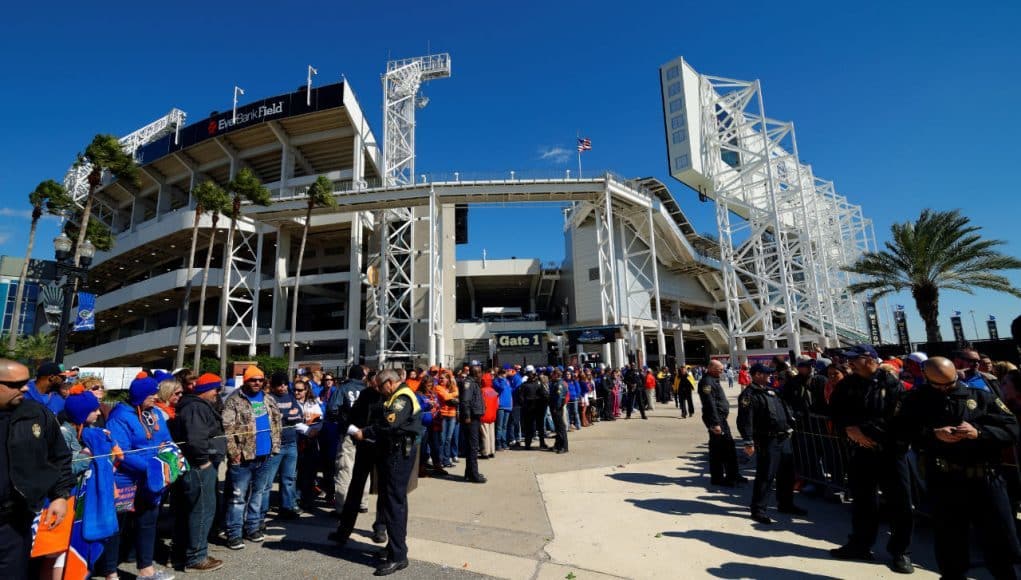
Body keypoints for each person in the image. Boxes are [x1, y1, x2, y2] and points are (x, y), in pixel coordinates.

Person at [894, 357, 1021, 579]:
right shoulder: (915, 401)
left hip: (985, 480)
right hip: (945, 481)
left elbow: (1011, 428)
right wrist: (932, 434)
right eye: (938, 385)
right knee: (950, 547)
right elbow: (900, 432)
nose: (944, 389)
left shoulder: (981, 396)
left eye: (949, 383)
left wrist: (978, 433)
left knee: (1000, 545)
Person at [828, 344, 913, 574]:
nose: (850, 363)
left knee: (899, 503)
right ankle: (860, 544)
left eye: (855, 359)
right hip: (860, 453)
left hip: (890, 452)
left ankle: (900, 552)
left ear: (870, 359)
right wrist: (848, 429)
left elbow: (898, 418)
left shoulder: (893, 384)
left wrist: (863, 431)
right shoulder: (847, 385)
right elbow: (835, 411)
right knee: (863, 501)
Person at [0, 359, 73, 580]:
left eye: (25, 382)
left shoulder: (36, 414)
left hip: (13, 520)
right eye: (16, 384)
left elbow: (59, 456)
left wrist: (60, 496)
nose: (24, 388)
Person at [101, 375, 177, 580]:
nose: (155, 397)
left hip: (152, 480)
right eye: (151, 394)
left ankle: (146, 570)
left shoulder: (154, 413)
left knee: (148, 522)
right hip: (126, 480)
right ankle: (110, 572)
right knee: (117, 527)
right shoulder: (120, 416)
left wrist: (171, 461)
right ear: (140, 395)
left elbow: (167, 440)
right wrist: (152, 468)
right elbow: (121, 452)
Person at [350, 369, 423, 576]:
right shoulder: (396, 395)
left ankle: (398, 556)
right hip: (394, 451)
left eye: (381, 387)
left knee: (393, 503)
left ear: (390, 383)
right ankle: (396, 547)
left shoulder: (402, 397)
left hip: (399, 453)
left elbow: (390, 422)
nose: (380, 392)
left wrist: (365, 432)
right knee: (394, 501)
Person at [221, 365, 282, 550]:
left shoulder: (268, 399)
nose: (257, 383)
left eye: (260, 380)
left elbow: (277, 422)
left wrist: (275, 447)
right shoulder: (234, 400)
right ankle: (234, 533)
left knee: (258, 494)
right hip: (243, 458)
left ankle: (253, 528)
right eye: (252, 380)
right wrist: (234, 454)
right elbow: (227, 430)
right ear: (245, 381)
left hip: (266, 455)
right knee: (238, 497)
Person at [736, 364, 806, 525]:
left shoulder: (771, 391)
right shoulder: (749, 394)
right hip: (767, 440)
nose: (770, 376)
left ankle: (785, 504)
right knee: (766, 475)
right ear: (757, 374)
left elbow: (785, 403)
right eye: (766, 374)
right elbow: (745, 420)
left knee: (787, 475)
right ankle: (758, 510)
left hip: (784, 438)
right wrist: (748, 441)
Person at [170, 373, 225, 573]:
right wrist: (204, 461)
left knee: (193, 510)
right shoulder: (195, 407)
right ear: (206, 389)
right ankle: (196, 556)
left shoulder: (194, 405)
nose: (217, 394)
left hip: (199, 464)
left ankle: (187, 552)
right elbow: (196, 438)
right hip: (199, 467)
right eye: (215, 389)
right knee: (202, 510)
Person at [326, 366, 369, 514]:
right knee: (364, 468)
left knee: (345, 468)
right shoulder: (368, 390)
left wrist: (341, 421)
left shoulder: (343, 388)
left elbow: (332, 408)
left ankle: (342, 505)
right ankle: (362, 502)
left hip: (348, 432)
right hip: (366, 433)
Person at [698, 361, 742, 486]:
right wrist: (715, 423)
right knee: (719, 449)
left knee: (729, 447)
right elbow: (709, 404)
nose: (721, 371)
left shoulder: (713, 380)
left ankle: (733, 474)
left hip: (720, 418)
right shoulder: (707, 382)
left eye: (722, 369)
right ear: (711, 368)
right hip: (716, 420)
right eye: (719, 369)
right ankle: (718, 478)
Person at [265, 372, 302, 519]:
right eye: (280, 384)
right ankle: (262, 510)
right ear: (273, 386)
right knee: (268, 480)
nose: (283, 387)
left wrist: (284, 415)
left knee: (288, 478)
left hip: (291, 443)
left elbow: (298, 414)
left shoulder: (291, 396)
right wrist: (288, 415)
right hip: (275, 444)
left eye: (285, 384)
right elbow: (272, 418)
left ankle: (286, 507)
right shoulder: (269, 398)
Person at [293, 379, 323, 509]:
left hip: (311, 442)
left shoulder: (312, 403)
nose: (296, 392)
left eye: (300, 390)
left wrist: (315, 430)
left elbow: (319, 420)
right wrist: (307, 430)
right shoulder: (291, 403)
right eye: (294, 390)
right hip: (297, 440)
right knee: (296, 473)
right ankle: (295, 499)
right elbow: (292, 422)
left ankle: (307, 498)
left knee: (310, 472)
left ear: (306, 390)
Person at [459, 366, 486, 483]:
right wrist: (468, 416)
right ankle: (474, 475)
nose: (481, 374)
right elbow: (465, 401)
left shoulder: (474, 383)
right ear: (476, 373)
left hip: (475, 417)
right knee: (473, 447)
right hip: (471, 419)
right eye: (480, 372)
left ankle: (469, 472)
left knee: (472, 446)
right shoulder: (469, 384)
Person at [519, 367, 548, 449]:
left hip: (538, 408)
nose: (531, 375)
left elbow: (544, 395)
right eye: (529, 373)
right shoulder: (524, 385)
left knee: (540, 426)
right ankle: (528, 444)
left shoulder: (539, 383)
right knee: (529, 427)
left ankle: (542, 443)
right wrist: (525, 406)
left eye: (532, 373)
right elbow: (521, 398)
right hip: (529, 409)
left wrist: (544, 403)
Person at [492, 369, 513, 451]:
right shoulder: (497, 381)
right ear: (500, 374)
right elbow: (501, 388)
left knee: (505, 426)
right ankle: (498, 443)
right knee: (499, 426)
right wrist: (501, 379)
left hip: (508, 405)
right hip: (500, 406)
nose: (505, 374)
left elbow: (510, 391)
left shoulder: (507, 381)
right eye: (504, 373)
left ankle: (504, 442)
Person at [548, 370, 569, 454]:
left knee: (561, 428)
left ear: (556, 375)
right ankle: (558, 445)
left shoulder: (559, 384)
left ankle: (564, 446)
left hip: (557, 408)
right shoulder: (554, 382)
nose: (551, 375)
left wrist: (556, 408)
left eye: (553, 374)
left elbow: (559, 397)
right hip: (554, 407)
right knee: (557, 428)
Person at [480, 376, 498, 460]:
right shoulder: (494, 391)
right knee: (491, 433)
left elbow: (482, 403)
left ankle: (485, 452)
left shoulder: (482, 391)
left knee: (485, 434)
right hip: (493, 415)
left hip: (484, 415)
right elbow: (497, 404)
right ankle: (492, 451)